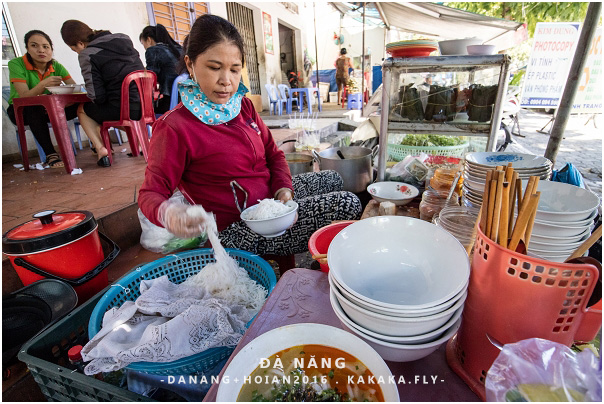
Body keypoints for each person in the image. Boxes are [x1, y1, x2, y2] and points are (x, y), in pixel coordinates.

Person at [138, 14, 361, 256]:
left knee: (333, 179)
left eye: (234, 70)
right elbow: (151, 193)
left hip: (268, 203)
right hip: (237, 230)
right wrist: (168, 213)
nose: (226, 81)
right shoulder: (175, 127)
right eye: (214, 68)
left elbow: (273, 155)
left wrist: (283, 191)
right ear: (190, 64)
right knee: (348, 203)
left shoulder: (242, 107)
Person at [60, 20, 144, 167]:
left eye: (75, 49)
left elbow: (97, 96)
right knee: (110, 112)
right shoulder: (124, 39)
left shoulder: (87, 54)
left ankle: (101, 149)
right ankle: (142, 139)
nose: (77, 52)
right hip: (145, 103)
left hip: (121, 108)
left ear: (79, 43)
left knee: (83, 111)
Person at [6, 30, 80, 168]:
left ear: (51, 50)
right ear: (27, 48)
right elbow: (24, 97)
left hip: (47, 109)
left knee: (83, 105)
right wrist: (44, 84)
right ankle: (50, 154)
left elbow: (75, 89)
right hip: (20, 111)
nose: (41, 50)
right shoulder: (16, 64)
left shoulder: (55, 65)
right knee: (32, 108)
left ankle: (98, 145)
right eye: (34, 45)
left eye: (46, 47)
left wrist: (66, 100)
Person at [139, 24, 183, 114]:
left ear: (149, 39)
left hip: (170, 101)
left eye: (143, 44)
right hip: (184, 98)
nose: (144, 47)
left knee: (140, 110)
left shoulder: (153, 50)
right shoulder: (178, 49)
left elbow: (149, 79)